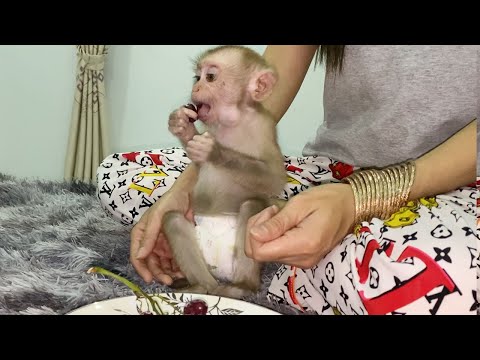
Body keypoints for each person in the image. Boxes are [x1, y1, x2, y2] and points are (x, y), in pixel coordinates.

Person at [96, 45, 479, 315]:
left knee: (451, 283)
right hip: (333, 170)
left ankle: (261, 243)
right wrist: (191, 184)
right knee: (122, 174)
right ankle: (293, 242)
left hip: (456, 188)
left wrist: (357, 201)